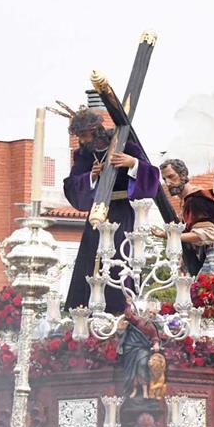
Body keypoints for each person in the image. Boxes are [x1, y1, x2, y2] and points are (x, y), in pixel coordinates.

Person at [61, 107, 160, 314]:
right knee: (91, 263)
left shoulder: (126, 145)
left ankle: (120, 310)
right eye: (79, 136)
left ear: (96, 130)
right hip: (98, 214)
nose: (82, 140)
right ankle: (86, 311)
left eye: (84, 135)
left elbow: (152, 176)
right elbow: (71, 185)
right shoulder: (83, 155)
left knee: (118, 262)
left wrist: (132, 163)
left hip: (123, 213)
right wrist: (92, 177)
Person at [156, 158, 214, 338]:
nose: (168, 183)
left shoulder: (195, 200)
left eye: (171, 177)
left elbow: (208, 233)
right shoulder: (191, 199)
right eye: (165, 179)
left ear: (183, 175)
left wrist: (170, 235)